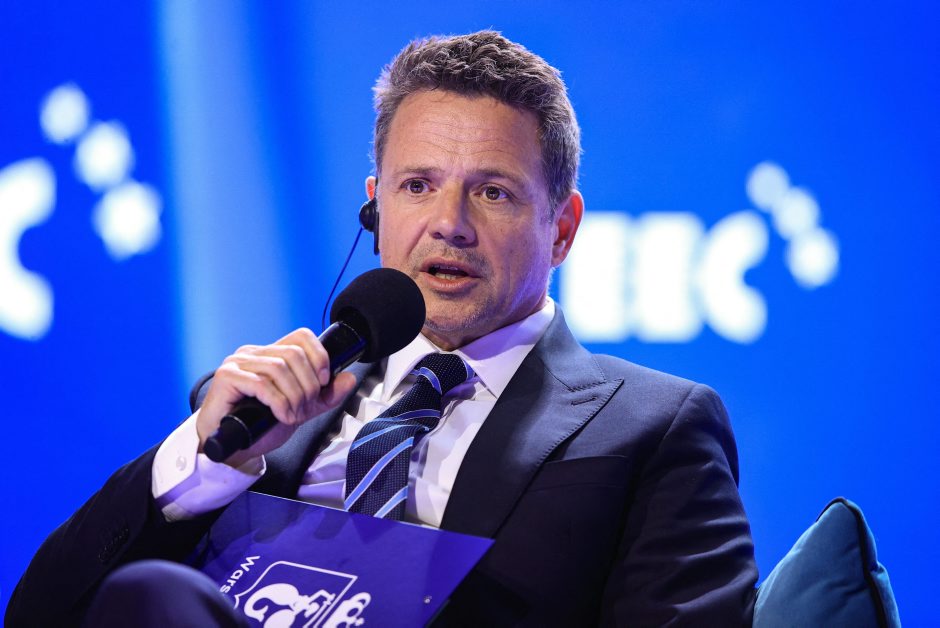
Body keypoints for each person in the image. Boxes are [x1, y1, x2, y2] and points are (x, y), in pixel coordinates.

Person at [7, 31, 758, 626]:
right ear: (376, 209)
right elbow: (40, 614)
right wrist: (203, 464)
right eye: (418, 185)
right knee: (150, 595)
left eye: (493, 193)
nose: (449, 224)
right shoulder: (267, 411)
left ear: (561, 229)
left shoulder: (652, 428)